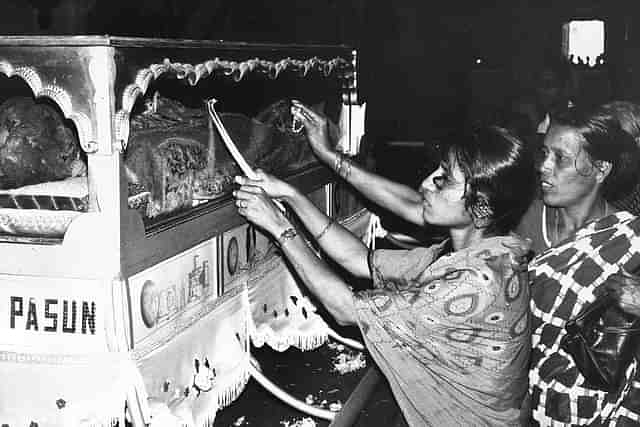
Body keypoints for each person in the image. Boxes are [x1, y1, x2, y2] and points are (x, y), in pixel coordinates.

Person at [233, 111, 537, 425]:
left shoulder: (474, 283)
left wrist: (279, 225)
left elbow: (344, 308)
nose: (425, 184)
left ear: (482, 207)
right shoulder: (489, 251)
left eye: (443, 179)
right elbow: (360, 260)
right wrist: (292, 196)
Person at [522, 105, 640, 425]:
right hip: (528, 408)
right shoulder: (521, 223)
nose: (544, 167)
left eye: (560, 158)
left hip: (606, 412)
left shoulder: (630, 240)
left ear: (600, 170)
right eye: (543, 153)